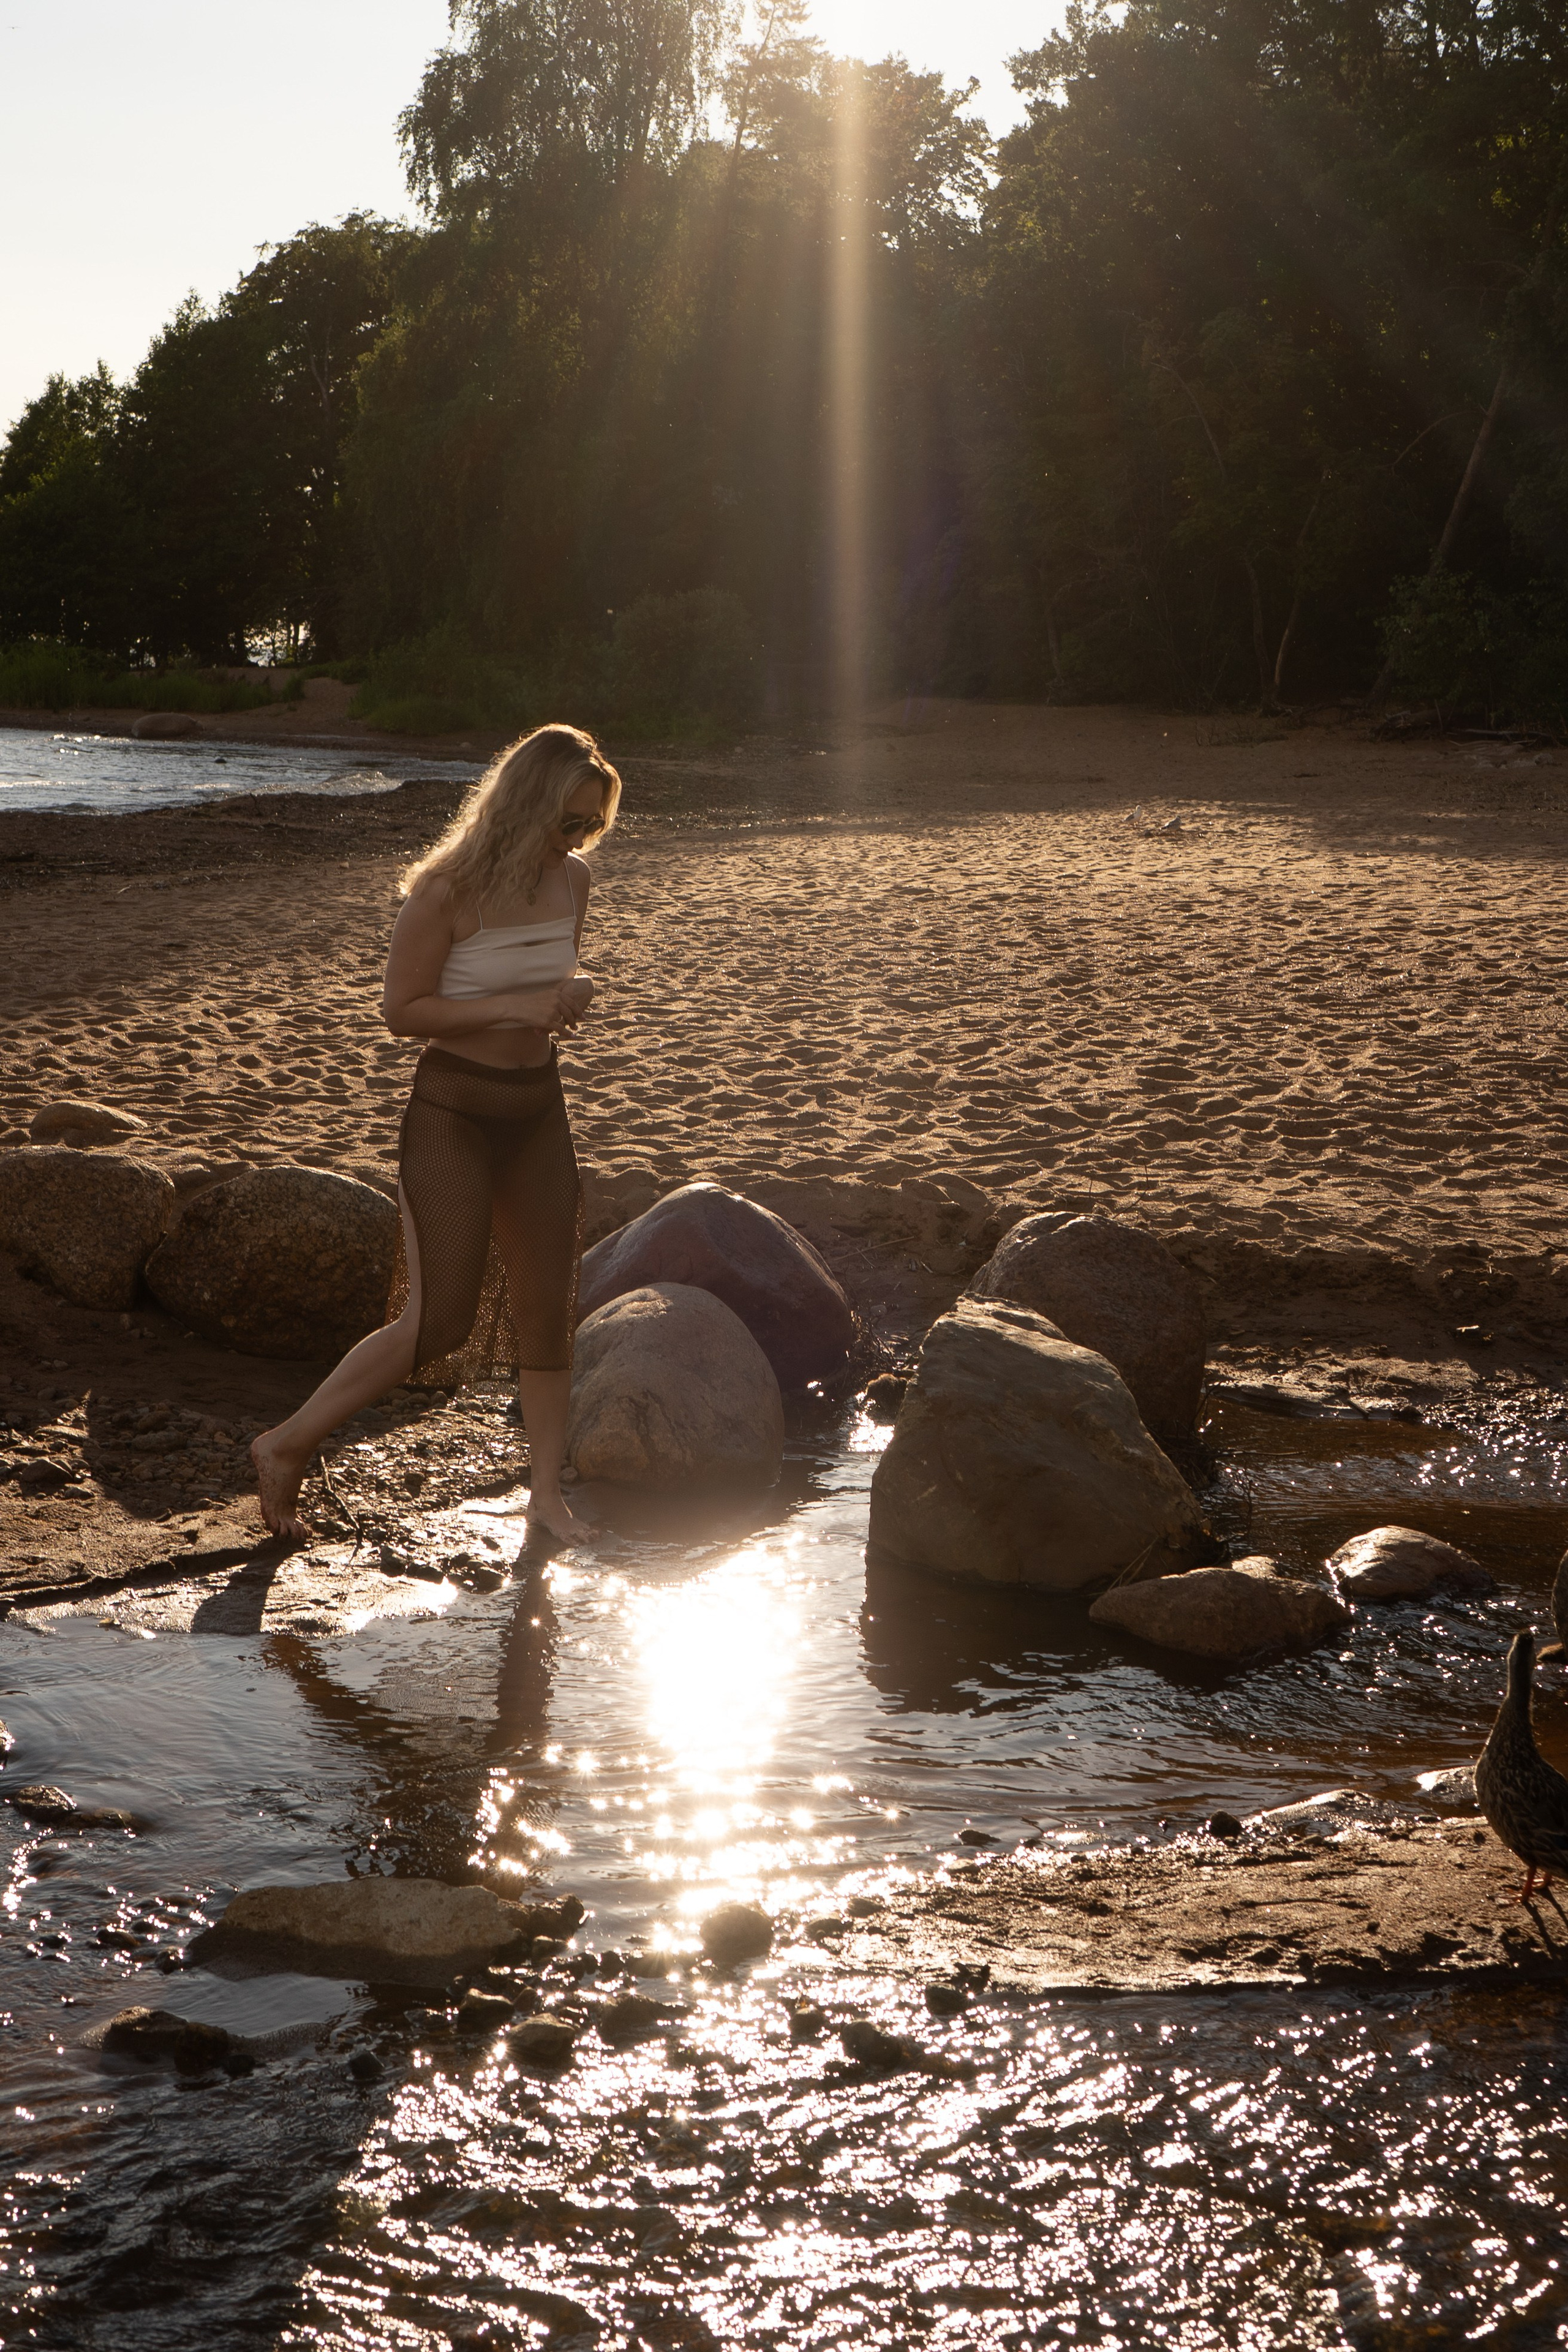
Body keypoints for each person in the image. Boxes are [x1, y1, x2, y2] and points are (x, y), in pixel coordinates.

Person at [251, 722, 621, 1545]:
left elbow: (549, 977)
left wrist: (573, 991)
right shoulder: (445, 892)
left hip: (538, 1110)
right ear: (525, 804)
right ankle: (285, 1445)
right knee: (438, 1320)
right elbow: (400, 1013)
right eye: (568, 821)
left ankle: (545, 1499)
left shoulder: (574, 883)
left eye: (591, 824)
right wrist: (510, 1007)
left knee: (545, 1313)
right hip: (455, 1110)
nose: (578, 839)